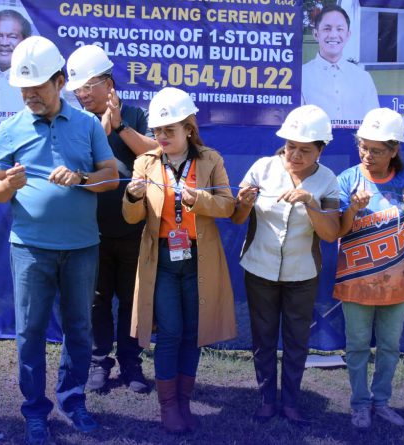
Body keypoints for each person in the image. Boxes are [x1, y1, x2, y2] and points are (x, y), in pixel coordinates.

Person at [0, 36, 117, 445]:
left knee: (79, 328)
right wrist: (6, 184)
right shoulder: (8, 130)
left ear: (60, 81)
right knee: (29, 332)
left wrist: (80, 178)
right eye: (24, 89)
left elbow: (111, 177)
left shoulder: (88, 125)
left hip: (81, 247)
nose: (30, 95)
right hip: (29, 247)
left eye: (38, 87)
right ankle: (35, 411)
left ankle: (73, 400)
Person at [123, 87, 236, 433]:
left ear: (188, 128)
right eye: (157, 131)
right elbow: (132, 218)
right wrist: (131, 195)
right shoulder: (145, 162)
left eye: (168, 130)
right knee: (170, 332)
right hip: (162, 263)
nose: (161, 137)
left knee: (192, 333)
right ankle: (168, 407)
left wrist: (199, 200)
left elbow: (228, 206)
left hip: (199, 261)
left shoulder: (210, 159)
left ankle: (184, 404)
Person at [232, 104, 341, 426]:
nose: (295, 154)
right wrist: (244, 203)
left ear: (321, 149)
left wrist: (310, 203)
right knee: (263, 337)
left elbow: (330, 233)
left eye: (305, 150)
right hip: (259, 268)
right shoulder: (262, 168)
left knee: (296, 340)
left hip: (302, 273)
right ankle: (267, 399)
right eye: (291, 146)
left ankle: (291, 401)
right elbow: (238, 218)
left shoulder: (328, 180)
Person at [334, 108, 404, 428]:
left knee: (390, 347)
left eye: (376, 150)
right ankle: (360, 404)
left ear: (394, 150)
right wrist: (352, 207)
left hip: (397, 282)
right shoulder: (347, 179)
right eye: (362, 146)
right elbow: (338, 229)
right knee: (358, 346)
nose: (367, 154)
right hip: (355, 281)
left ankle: (382, 401)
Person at [65, 44, 156, 394]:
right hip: (90, 231)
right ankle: (99, 362)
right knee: (96, 299)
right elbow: (76, 163)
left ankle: (132, 363)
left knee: (133, 300)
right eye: (77, 89)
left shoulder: (135, 114)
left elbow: (156, 153)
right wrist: (100, 130)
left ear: (108, 84)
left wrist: (119, 127)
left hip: (134, 230)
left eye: (88, 86)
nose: (81, 94)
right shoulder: (76, 121)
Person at [301, 4, 379, 126]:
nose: (333, 35)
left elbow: (374, 125)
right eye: (327, 28)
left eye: (340, 29)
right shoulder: (302, 77)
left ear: (348, 35)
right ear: (316, 34)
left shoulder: (363, 78)